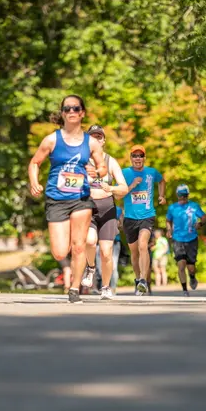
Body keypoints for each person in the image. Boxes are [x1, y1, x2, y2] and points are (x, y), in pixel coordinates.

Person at [28, 95, 107, 304]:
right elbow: (35, 162)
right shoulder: (52, 139)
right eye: (67, 108)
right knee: (60, 252)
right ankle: (71, 245)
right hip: (56, 198)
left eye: (76, 108)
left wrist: (97, 171)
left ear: (82, 112)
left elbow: (102, 166)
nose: (71, 111)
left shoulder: (91, 142)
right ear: (62, 113)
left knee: (79, 246)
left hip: (80, 198)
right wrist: (34, 182)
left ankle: (74, 289)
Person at [81, 125, 128, 300]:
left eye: (99, 137)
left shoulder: (111, 162)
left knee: (107, 252)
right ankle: (91, 268)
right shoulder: (82, 162)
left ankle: (106, 287)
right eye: (93, 137)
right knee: (90, 241)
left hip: (108, 209)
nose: (96, 140)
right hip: (88, 208)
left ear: (104, 140)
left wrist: (112, 188)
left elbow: (123, 188)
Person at [121, 145, 166, 295]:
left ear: (144, 158)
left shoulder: (152, 172)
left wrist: (161, 195)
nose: (138, 158)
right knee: (134, 253)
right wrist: (132, 185)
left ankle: (143, 280)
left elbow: (162, 181)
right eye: (135, 156)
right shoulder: (124, 173)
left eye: (141, 156)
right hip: (129, 218)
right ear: (131, 158)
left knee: (143, 245)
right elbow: (117, 195)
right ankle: (137, 279)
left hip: (147, 216)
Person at [166, 184, 206, 296]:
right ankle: (184, 289)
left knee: (191, 267)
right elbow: (168, 220)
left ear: (187, 196)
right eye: (180, 196)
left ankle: (192, 277)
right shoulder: (172, 208)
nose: (182, 198)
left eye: (184, 196)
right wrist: (169, 230)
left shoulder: (194, 206)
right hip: (178, 239)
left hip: (191, 239)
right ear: (177, 196)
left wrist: (200, 223)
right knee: (181, 264)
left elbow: (203, 217)